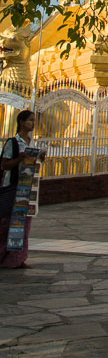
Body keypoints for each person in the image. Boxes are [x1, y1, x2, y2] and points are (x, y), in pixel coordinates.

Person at [0, 109, 46, 269]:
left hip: (26, 188)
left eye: (34, 121)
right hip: (11, 186)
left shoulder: (31, 142)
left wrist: (39, 158)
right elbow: (4, 165)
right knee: (6, 224)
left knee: (23, 224)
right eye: (30, 120)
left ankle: (17, 258)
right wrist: (19, 158)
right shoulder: (12, 142)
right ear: (21, 122)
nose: (33, 124)